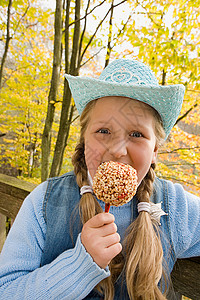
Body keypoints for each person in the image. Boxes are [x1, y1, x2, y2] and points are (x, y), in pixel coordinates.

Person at [0, 59, 199, 300]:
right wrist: (80, 265)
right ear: (84, 140)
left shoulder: (174, 205)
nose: (117, 150)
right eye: (104, 131)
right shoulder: (43, 202)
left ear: (155, 149)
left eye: (137, 134)